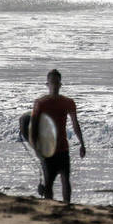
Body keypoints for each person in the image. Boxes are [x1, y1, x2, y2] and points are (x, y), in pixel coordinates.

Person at [22, 69, 86, 203]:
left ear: (61, 85)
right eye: (52, 83)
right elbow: (33, 128)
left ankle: (67, 206)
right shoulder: (40, 103)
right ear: (47, 85)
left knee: (65, 181)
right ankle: (49, 208)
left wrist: (82, 144)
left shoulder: (68, 102)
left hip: (63, 148)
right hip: (47, 150)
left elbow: (75, 124)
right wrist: (37, 150)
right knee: (48, 184)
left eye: (57, 83)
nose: (55, 86)